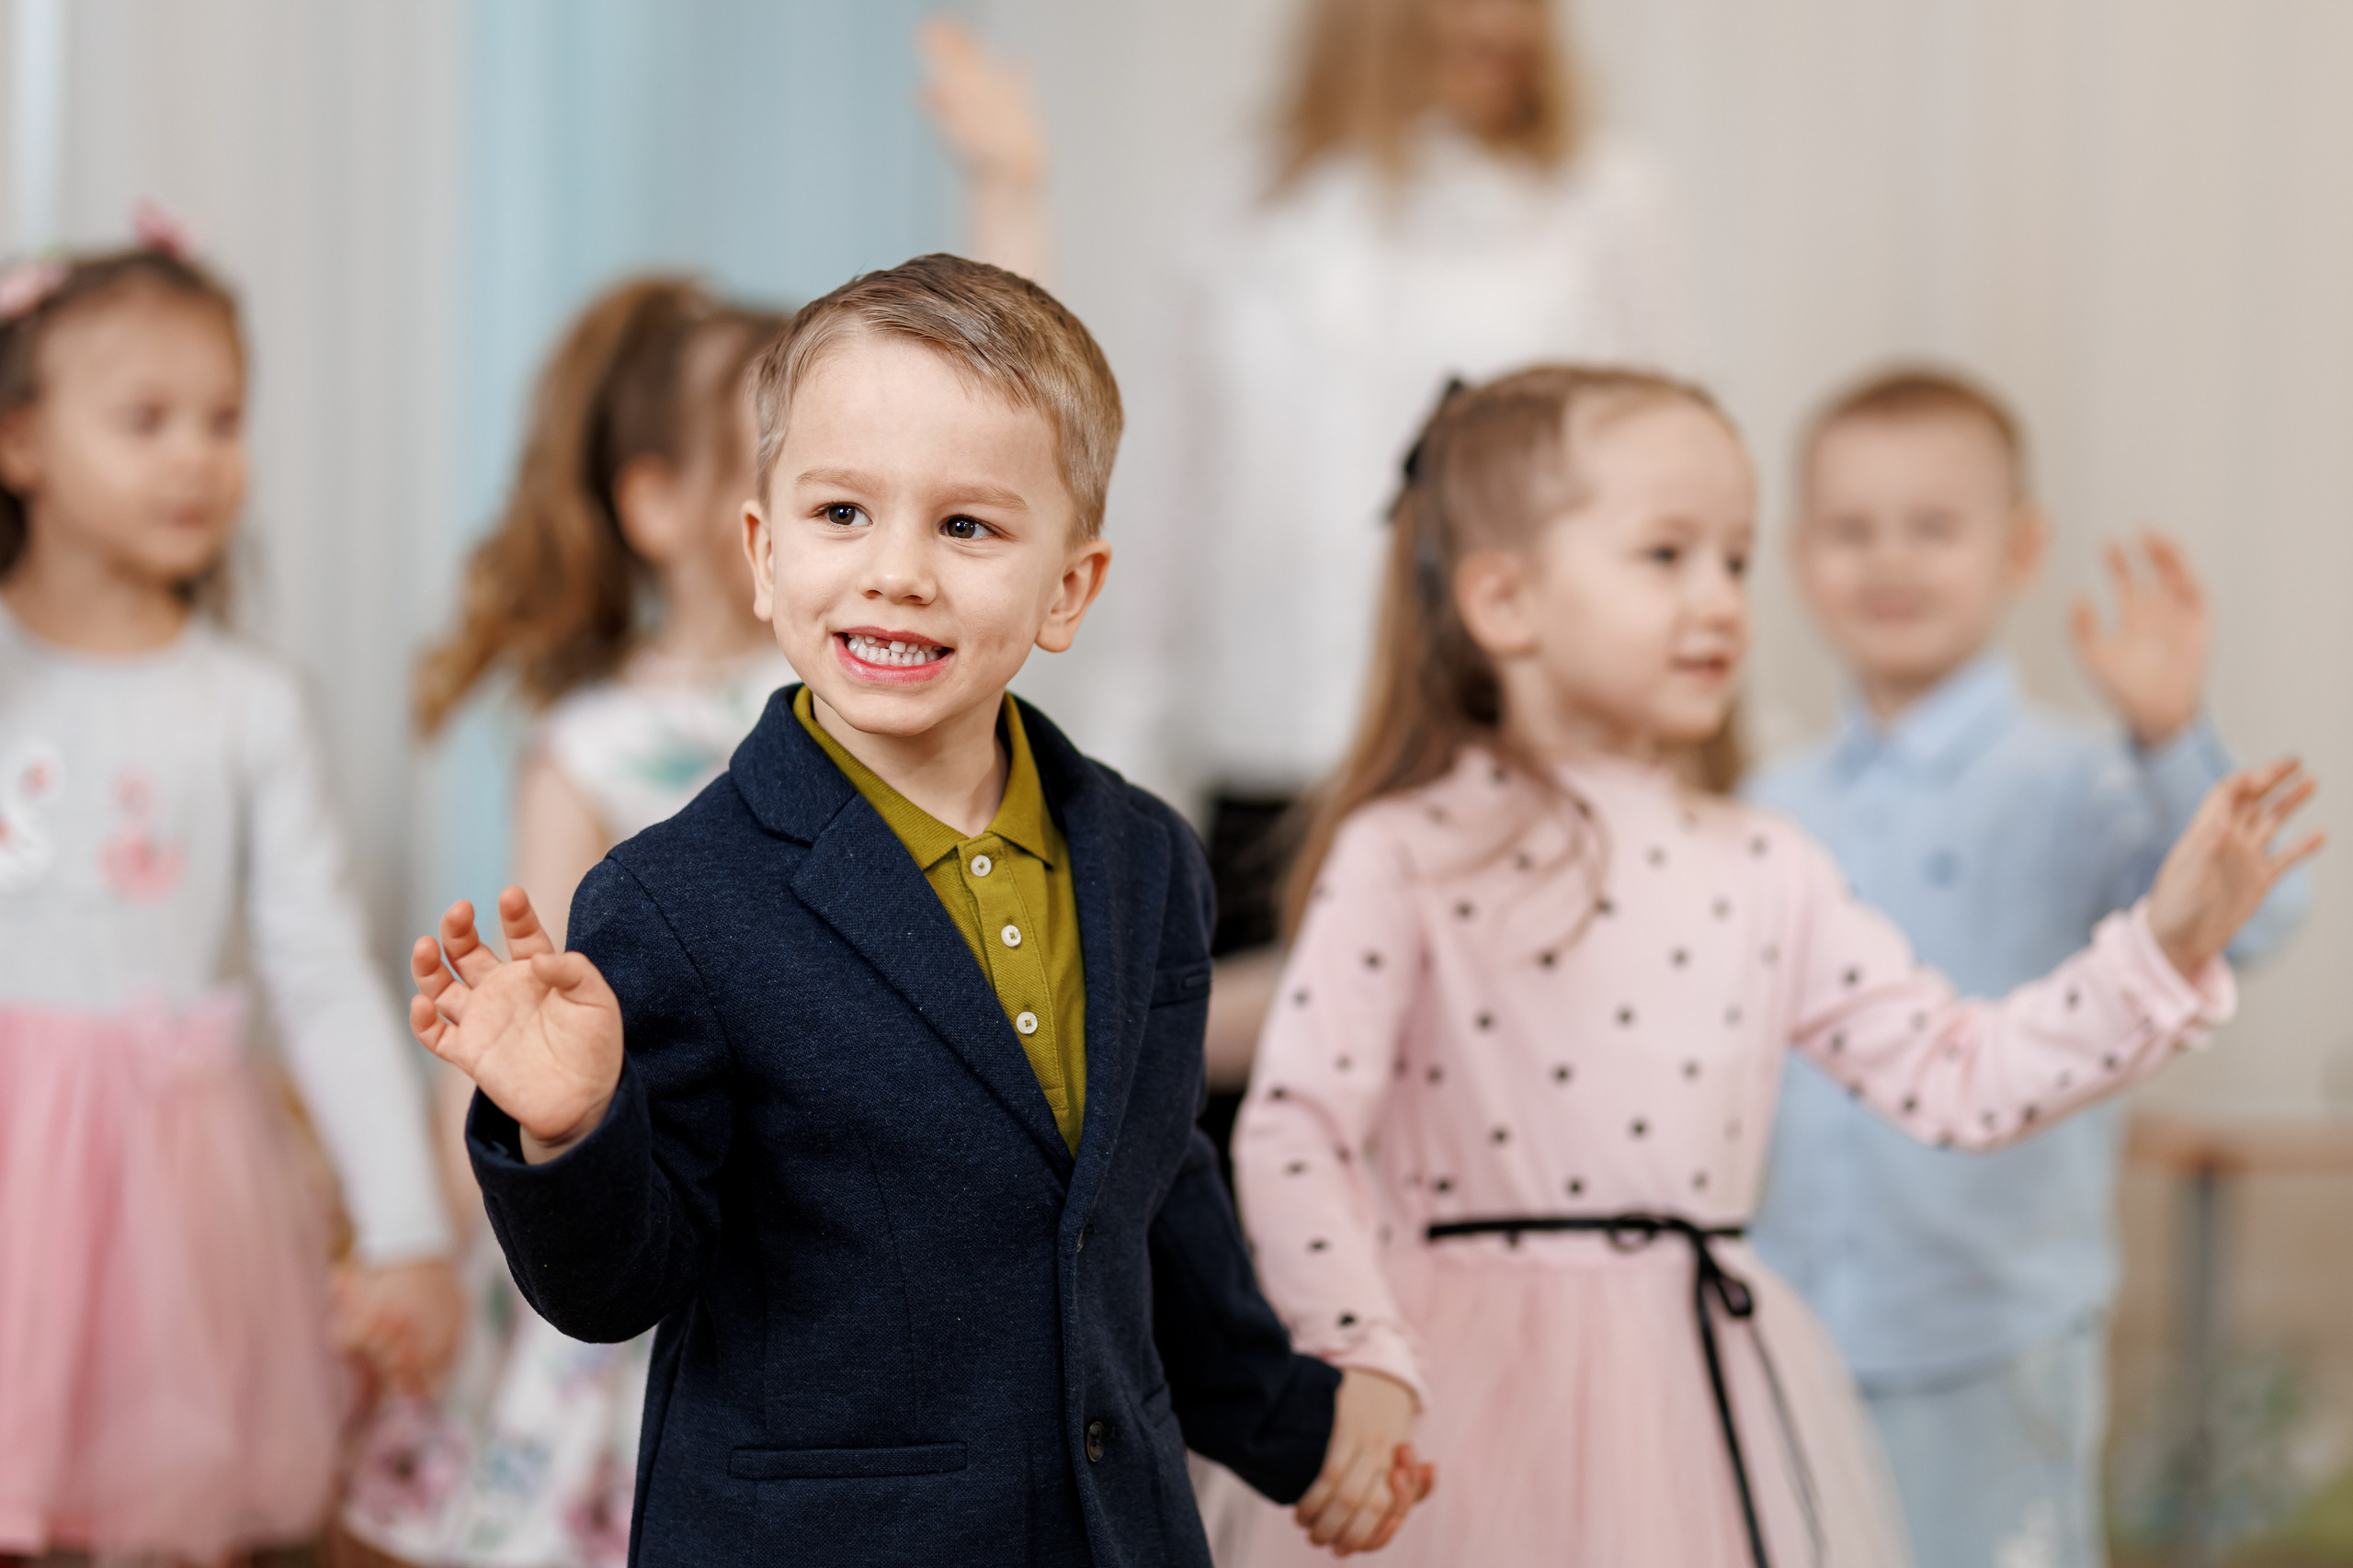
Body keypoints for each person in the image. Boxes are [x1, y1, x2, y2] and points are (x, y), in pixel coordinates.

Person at [404, 256, 1436, 1567]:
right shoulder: (672, 897)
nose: (896, 572)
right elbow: (614, 1289)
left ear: (1069, 587)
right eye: (842, 512)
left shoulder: (1149, 862)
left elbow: (1154, 1197)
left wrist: (1296, 1427)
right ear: (764, 553)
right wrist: (570, 1127)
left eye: (967, 527)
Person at [1208, 365, 2320, 1566]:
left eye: (1734, 560)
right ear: (1506, 599)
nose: (1720, 599)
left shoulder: (1764, 859)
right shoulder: (1404, 852)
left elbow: (1962, 1073)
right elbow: (1300, 1122)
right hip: (1452, 1388)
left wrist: (2164, 946)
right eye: (1666, 554)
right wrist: (1359, 1348)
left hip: (1696, 1396)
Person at [1745, 369, 2310, 1568]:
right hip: (1787, 1330)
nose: (1889, 559)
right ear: (1796, 558)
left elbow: (2252, 922)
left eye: (1933, 525)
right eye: (1850, 529)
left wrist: (2168, 735)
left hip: (1994, 1335)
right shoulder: (1766, 804)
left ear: (2019, 549)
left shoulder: (2085, 779)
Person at [1152, 0, 1699, 1174]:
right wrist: (1119, 758)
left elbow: (1652, 488)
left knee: (1470, 1157)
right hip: (1265, 763)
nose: (1498, 23)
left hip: (1490, 762)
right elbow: (1180, 500)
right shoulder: (1246, 205)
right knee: (1242, 1175)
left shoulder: (1599, 201)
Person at [0, 239, 460, 1560]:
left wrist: (407, 1228)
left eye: (224, 418)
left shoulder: (250, 705)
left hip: (174, 1201)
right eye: (145, 419)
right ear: (20, 441)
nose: (197, 457)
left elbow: (321, 972)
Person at [340, 279, 790, 1568]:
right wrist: (431, 1231)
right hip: (650, 1192)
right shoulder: (593, 746)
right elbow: (518, 1001)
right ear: (661, 504)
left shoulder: (848, 694)